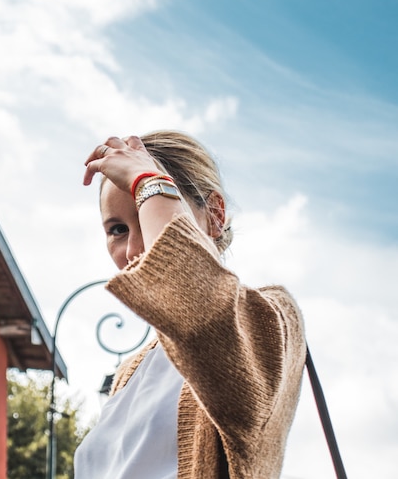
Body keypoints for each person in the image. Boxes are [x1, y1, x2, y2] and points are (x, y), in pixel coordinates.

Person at [74, 131, 306, 479]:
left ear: (214, 214)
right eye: (118, 229)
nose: (135, 250)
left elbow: (203, 309)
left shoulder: (273, 317)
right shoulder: (130, 372)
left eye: (146, 213)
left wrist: (150, 183)